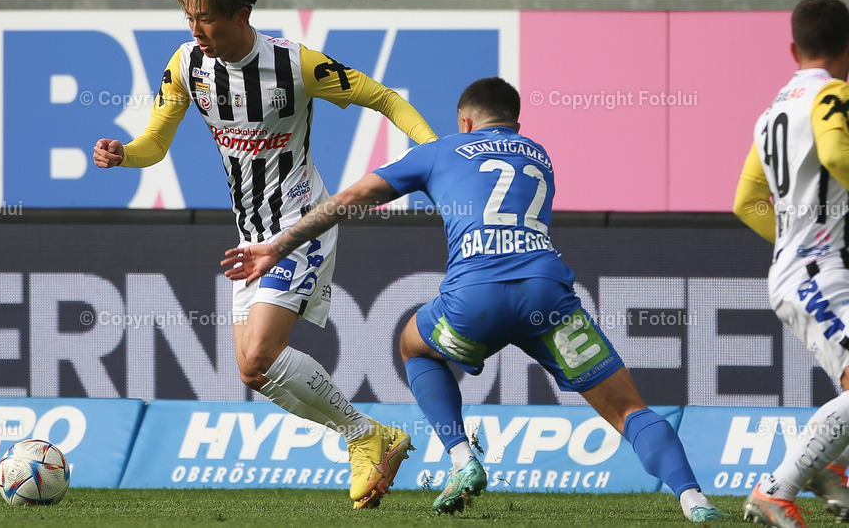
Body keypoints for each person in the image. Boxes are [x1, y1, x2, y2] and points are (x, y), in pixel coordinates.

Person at [224, 77, 726, 522]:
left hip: (475, 297)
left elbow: (346, 201)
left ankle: (461, 458)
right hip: (547, 297)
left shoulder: (442, 150)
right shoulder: (538, 153)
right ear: (515, 121)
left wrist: (276, 246)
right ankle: (694, 502)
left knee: (413, 343)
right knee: (629, 409)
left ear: (464, 120)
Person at [92, 0, 438, 509]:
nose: (195, 29)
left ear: (242, 13)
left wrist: (435, 151)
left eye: (207, 18)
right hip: (250, 236)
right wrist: (124, 154)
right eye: (189, 17)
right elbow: (155, 143)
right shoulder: (186, 65)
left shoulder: (296, 64)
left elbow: (385, 97)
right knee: (255, 372)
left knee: (257, 358)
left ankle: (364, 436)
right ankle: (371, 435)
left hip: (302, 224)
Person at [734, 0, 849, 528]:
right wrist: (816, 245)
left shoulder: (771, 112)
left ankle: (829, 470)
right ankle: (776, 490)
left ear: (792, 47)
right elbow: (836, 155)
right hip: (819, 272)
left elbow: (746, 200)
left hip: (799, 269)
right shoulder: (833, 96)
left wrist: (792, 241)